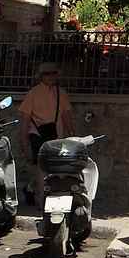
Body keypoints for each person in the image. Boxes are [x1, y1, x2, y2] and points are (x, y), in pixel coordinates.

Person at [18, 63, 73, 205]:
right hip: (38, 135)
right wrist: (25, 143)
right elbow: (25, 119)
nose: (51, 76)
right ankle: (40, 199)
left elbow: (66, 115)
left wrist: (73, 135)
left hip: (56, 136)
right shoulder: (33, 93)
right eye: (47, 74)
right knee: (42, 167)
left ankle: (32, 189)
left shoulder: (61, 93)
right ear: (41, 76)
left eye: (53, 73)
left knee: (54, 167)